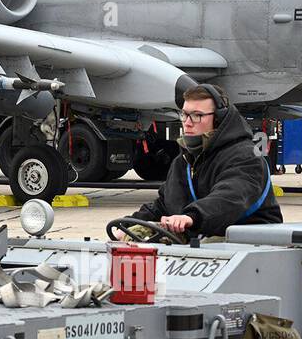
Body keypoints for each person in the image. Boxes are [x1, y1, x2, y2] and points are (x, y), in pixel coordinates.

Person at [120, 84, 281, 239]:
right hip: (204, 233)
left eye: (197, 115)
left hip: (251, 239)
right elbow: (164, 204)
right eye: (184, 114)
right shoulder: (184, 160)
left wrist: (192, 217)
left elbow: (230, 197)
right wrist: (128, 225)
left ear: (218, 119)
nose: (187, 122)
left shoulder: (247, 157)